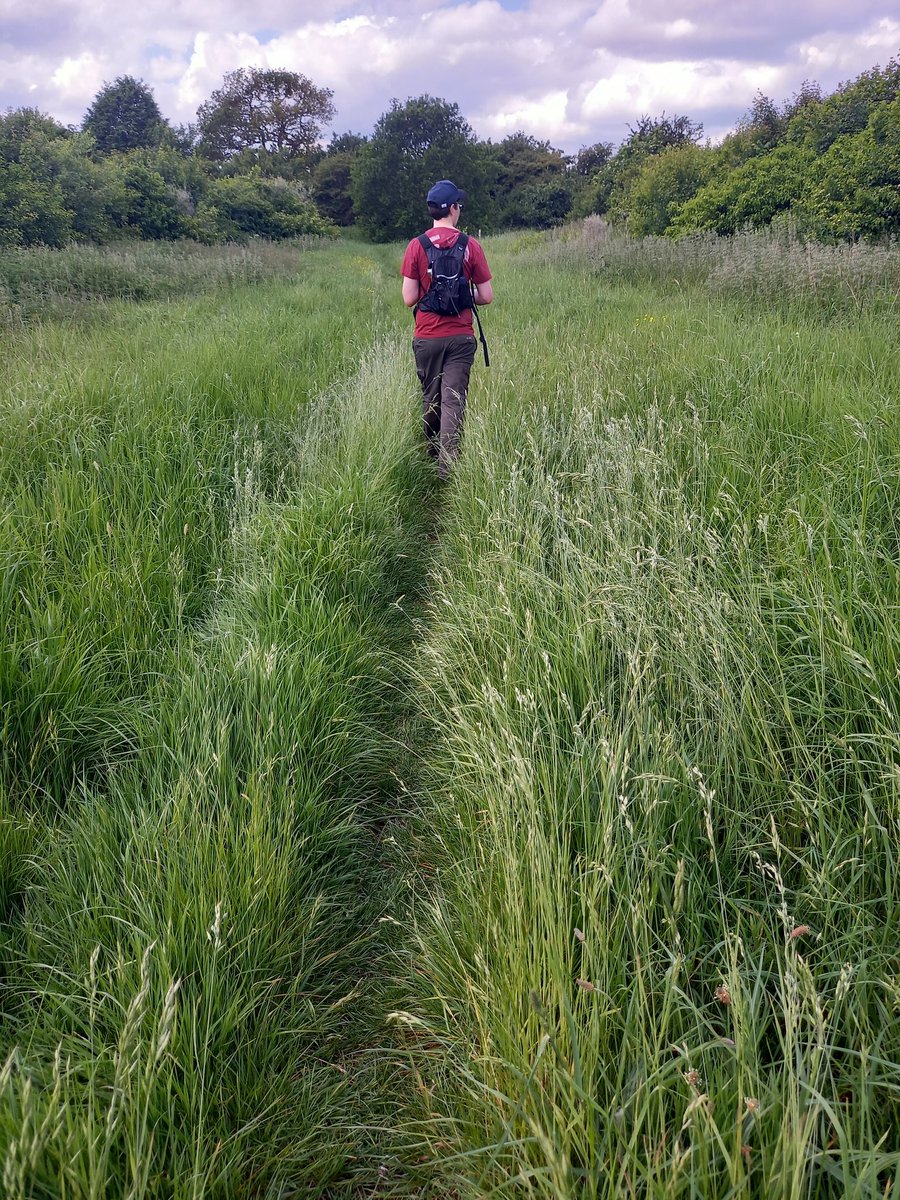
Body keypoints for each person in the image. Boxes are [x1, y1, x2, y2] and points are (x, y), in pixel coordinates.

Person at [401, 179, 493, 479]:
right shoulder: (471, 246)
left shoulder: (417, 245)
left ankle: (430, 453)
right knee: (454, 398)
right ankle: (447, 467)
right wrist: (464, 295)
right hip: (460, 337)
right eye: (459, 205)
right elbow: (486, 296)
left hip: (427, 336)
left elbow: (408, 298)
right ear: (453, 209)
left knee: (431, 396)